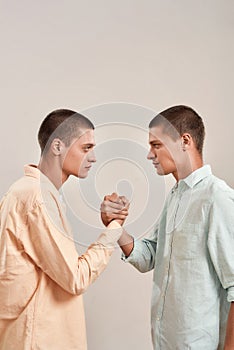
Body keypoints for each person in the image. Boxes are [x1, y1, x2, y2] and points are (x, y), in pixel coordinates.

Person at [101, 105, 234, 350]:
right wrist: (115, 226)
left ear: (185, 141)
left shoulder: (217, 198)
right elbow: (148, 257)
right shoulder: (174, 197)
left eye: (156, 145)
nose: (150, 154)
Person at [0, 109, 127, 350]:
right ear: (57, 146)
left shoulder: (32, 193)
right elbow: (75, 278)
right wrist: (114, 227)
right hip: (38, 340)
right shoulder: (36, 197)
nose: (93, 157)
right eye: (86, 148)